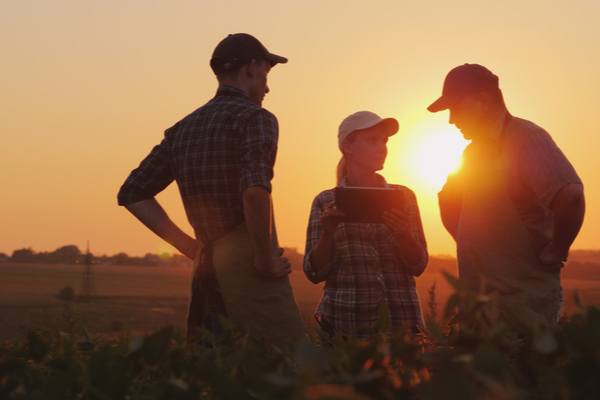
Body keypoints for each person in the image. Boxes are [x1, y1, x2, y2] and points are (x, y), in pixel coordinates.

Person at [117, 33, 305, 344]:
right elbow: (255, 192)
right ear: (252, 67)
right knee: (274, 373)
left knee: (214, 376)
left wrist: (191, 247)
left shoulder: (182, 129)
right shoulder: (255, 118)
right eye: (266, 74)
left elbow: (133, 193)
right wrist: (263, 258)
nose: (268, 87)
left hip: (206, 279)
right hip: (250, 279)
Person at [428, 63, 585, 327]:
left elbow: (570, 196)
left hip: (523, 306)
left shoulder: (527, 139)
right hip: (478, 306)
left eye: (455, 108)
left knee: (523, 366)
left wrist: (557, 250)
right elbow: (448, 201)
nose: (451, 119)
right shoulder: (472, 153)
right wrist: (472, 245)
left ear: (483, 101)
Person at [303, 111, 428, 338]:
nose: (382, 147)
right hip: (344, 327)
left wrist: (403, 234)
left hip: (401, 326)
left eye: (384, 141)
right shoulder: (324, 202)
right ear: (347, 147)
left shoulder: (405, 197)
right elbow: (314, 273)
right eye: (372, 140)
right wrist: (327, 234)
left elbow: (418, 265)